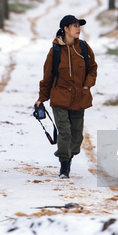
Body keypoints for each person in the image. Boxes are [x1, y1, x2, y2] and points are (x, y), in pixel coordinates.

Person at [35, 14, 98, 178]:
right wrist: (42, 98)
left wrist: (86, 85)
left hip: (79, 97)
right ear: (65, 29)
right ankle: (64, 167)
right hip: (60, 98)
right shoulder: (55, 51)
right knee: (64, 132)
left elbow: (92, 68)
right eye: (75, 26)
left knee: (77, 136)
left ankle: (68, 156)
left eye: (79, 26)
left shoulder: (84, 48)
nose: (78, 29)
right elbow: (47, 77)